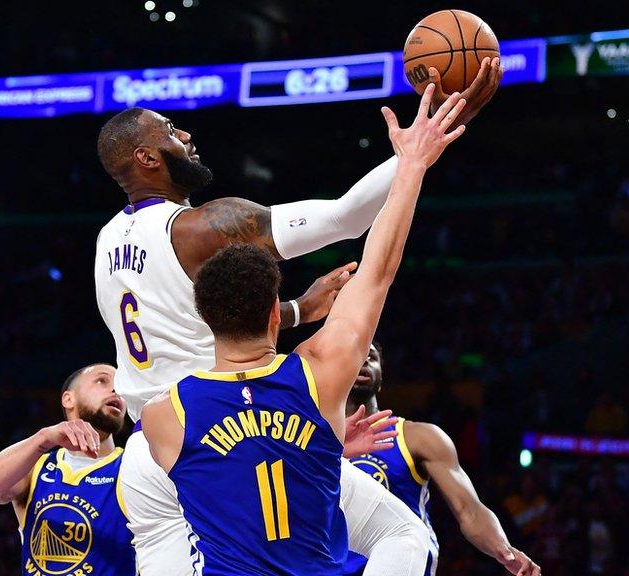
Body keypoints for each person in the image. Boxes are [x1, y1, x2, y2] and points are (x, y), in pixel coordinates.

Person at [93, 57, 504, 575]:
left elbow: (191, 316)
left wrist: (295, 310)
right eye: (172, 131)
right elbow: (347, 218)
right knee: (402, 532)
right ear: (147, 157)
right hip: (230, 425)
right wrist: (423, 143)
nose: (187, 135)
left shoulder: (108, 241)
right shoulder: (203, 227)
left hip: (152, 443)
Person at [343, 344, 540, 576]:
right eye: (356, 354)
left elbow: (469, 509)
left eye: (372, 357)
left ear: (382, 374)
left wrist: (504, 550)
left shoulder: (418, 437)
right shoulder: (314, 438)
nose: (365, 361)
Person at [0, 364, 135, 576]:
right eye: (102, 381)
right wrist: (44, 438)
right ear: (68, 399)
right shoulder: (37, 466)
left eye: (121, 386)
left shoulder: (133, 465)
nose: (116, 390)